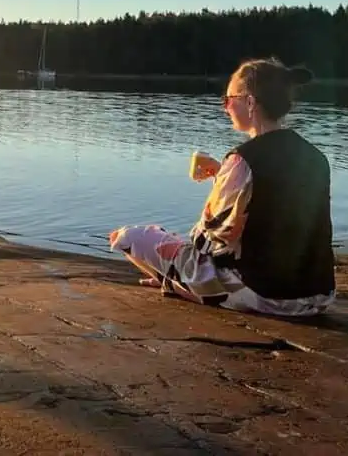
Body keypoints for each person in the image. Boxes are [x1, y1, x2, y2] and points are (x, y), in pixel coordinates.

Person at [109, 57, 335, 317]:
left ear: (249, 102)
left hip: (264, 295)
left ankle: (179, 284)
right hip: (317, 295)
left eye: (228, 100)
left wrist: (224, 185)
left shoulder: (242, 159)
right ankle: (177, 281)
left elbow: (211, 241)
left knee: (130, 237)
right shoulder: (315, 157)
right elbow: (278, 202)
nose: (225, 108)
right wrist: (222, 177)